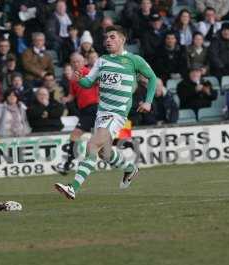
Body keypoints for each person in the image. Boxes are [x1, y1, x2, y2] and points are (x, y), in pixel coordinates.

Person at [55, 25, 157, 200]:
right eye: (106, 38)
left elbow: (152, 78)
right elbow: (89, 83)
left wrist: (148, 102)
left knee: (92, 146)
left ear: (122, 40)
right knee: (104, 153)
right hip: (101, 113)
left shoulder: (134, 60)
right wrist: (80, 79)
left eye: (112, 37)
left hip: (117, 114)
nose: (108, 40)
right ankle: (130, 169)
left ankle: (73, 187)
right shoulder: (101, 61)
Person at [53, 53, 99, 175]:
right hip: (84, 111)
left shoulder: (90, 72)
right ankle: (68, 164)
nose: (75, 64)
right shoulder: (73, 78)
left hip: (94, 109)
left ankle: (67, 164)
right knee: (100, 142)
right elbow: (72, 95)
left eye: (78, 61)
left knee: (75, 135)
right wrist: (65, 99)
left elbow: (101, 85)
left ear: (83, 61)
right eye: (73, 62)